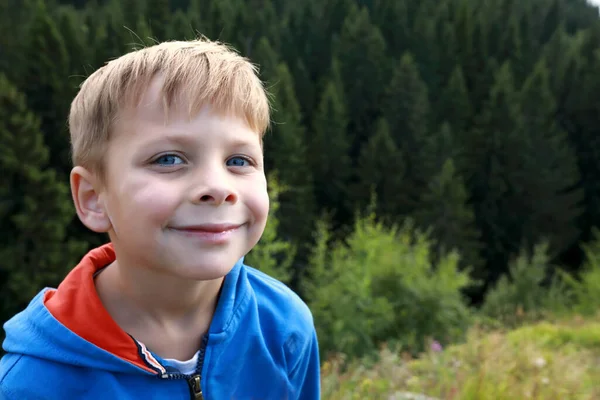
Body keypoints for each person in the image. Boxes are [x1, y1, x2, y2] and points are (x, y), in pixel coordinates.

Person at [0, 38, 320, 399]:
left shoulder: (284, 328)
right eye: (169, 159)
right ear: (93, 198)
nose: (217, 188)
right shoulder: (32, 384)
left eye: (238, 161)